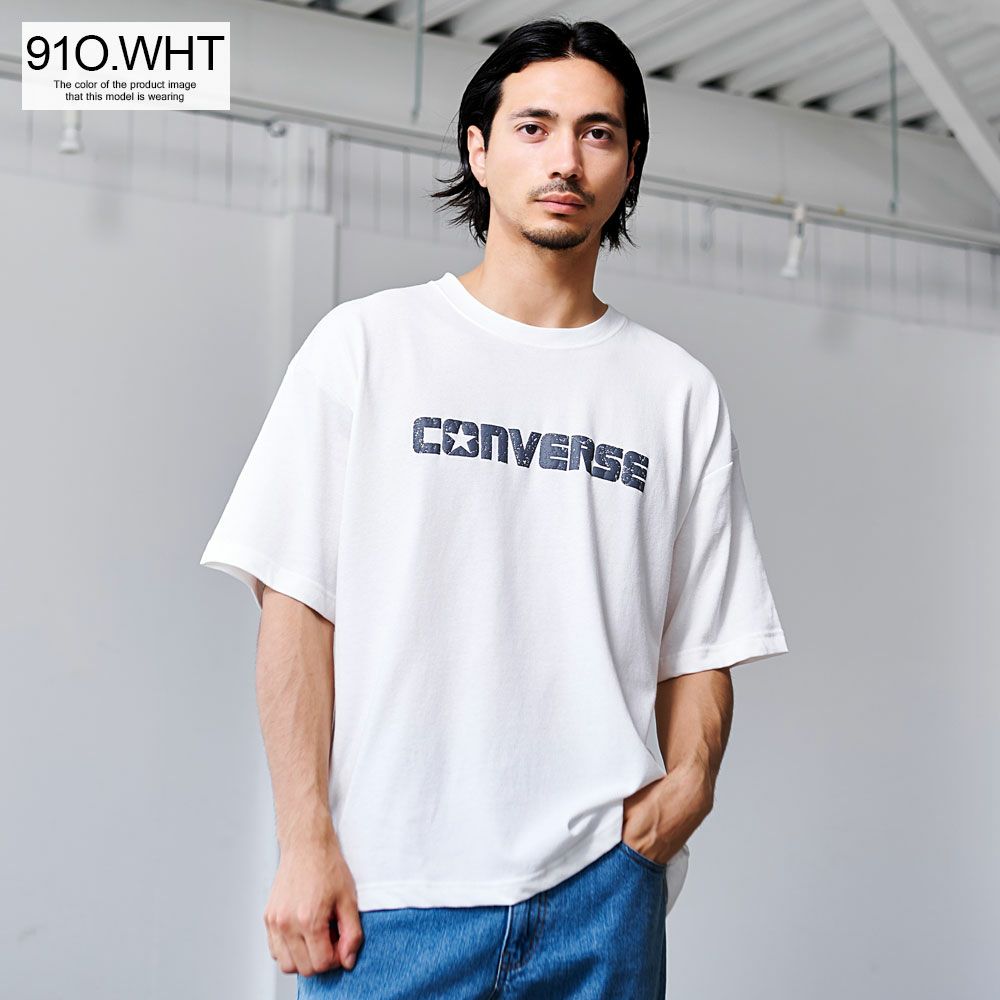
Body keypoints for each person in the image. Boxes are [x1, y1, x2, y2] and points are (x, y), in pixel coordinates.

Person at [199, 16, 789, 999]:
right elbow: (295, 606)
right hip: (392, 893)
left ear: (629, 163)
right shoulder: (368, 345)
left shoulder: (675, 391)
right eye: (534, 126)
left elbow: (706, 637)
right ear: (478, 150)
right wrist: (304, 840)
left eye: (598, 133)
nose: (566, 159)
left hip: (601, 893)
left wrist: (689, 785)